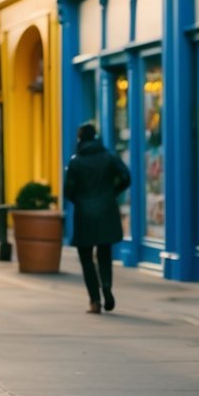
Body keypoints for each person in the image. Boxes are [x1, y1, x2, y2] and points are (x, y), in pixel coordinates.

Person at [64, 122, 131, 314]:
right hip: (106, 211)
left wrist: (80, 199)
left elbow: (68, 190)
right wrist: (112, 193)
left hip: (84, 213)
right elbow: (126, 176)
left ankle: (94, 300)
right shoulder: (109, 156)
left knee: (86, 258)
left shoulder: (76, 161)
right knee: (104, 252)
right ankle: (107, 288)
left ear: (80, 139)